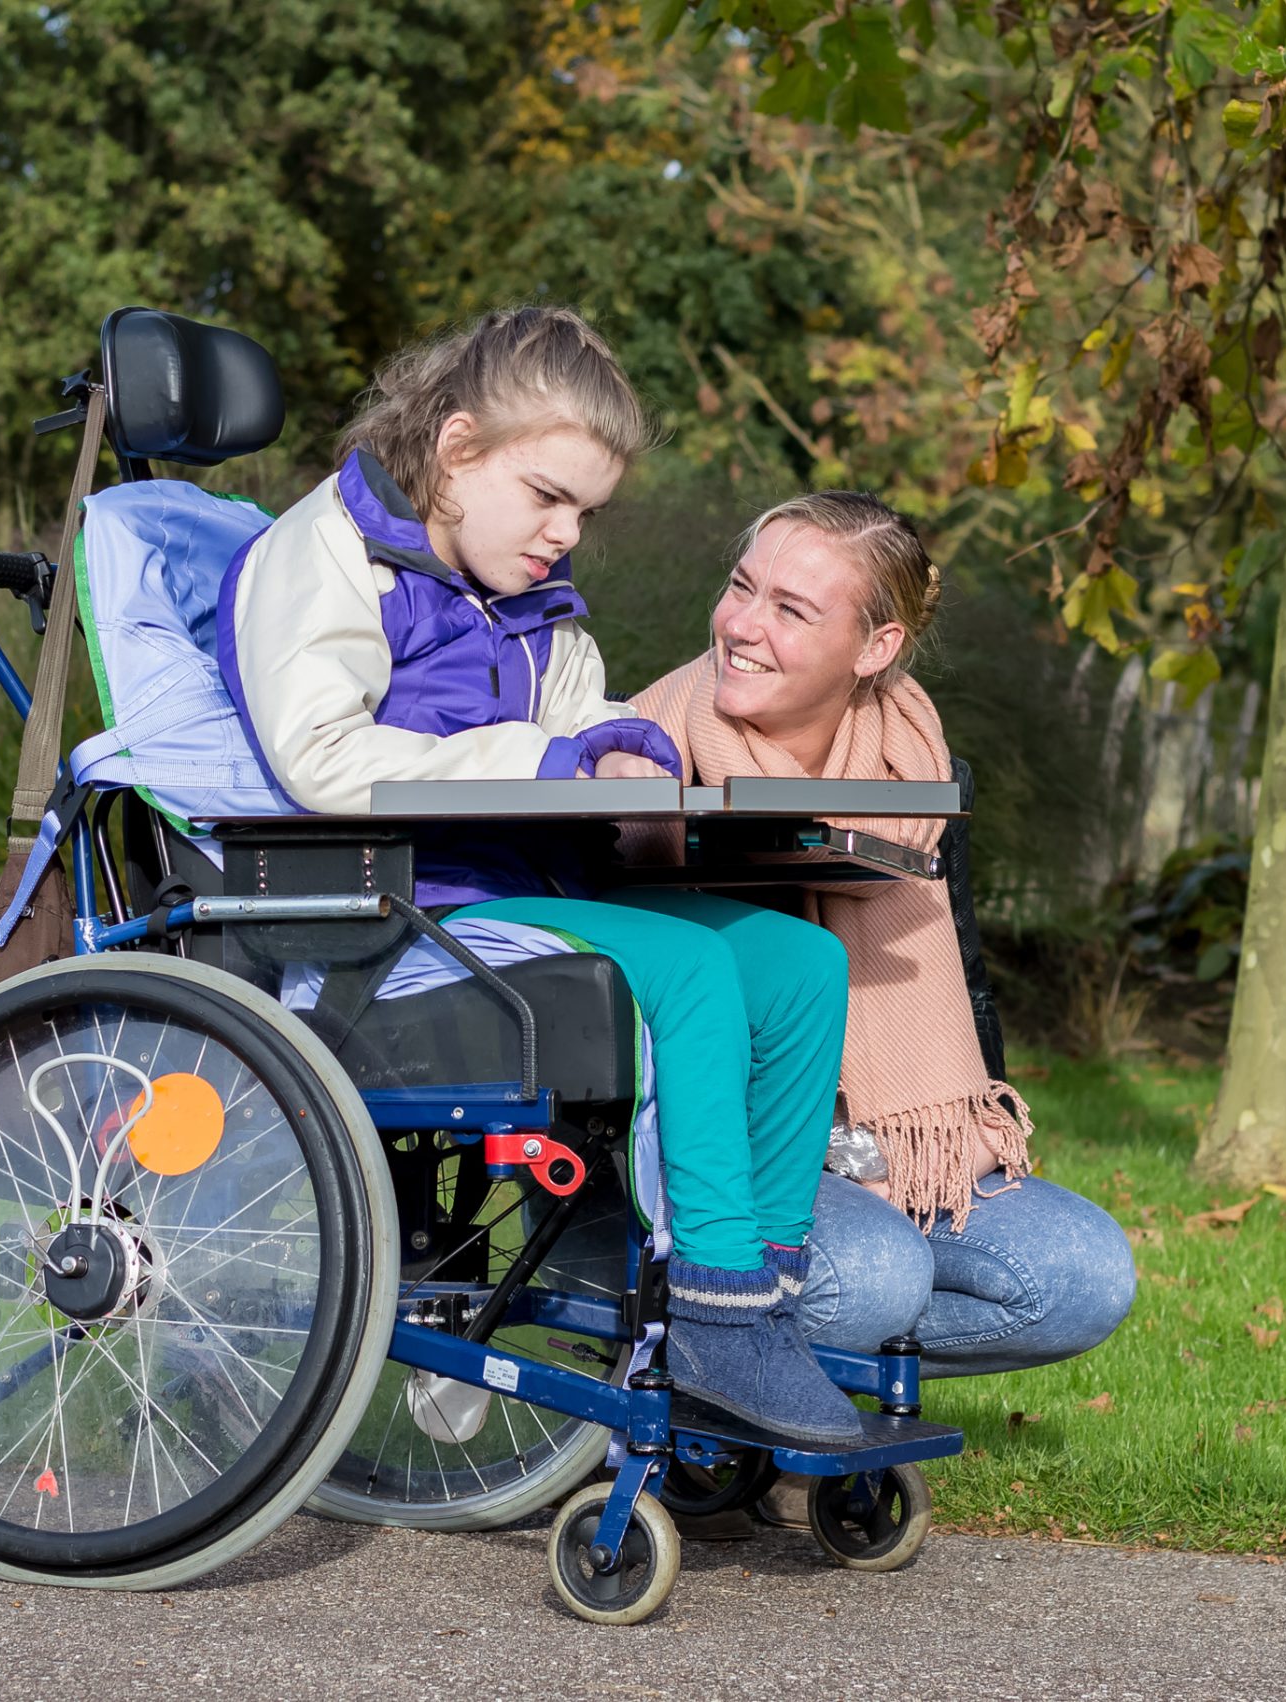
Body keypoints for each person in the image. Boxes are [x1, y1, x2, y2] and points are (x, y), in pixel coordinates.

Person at [220, 305, 864, 1443]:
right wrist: (547, 756)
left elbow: (578, 714)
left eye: (585, 511)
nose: (566, 532)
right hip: (394, 922)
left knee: (800, 961)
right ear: (458, 449)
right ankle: (713, 1310)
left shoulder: (521, 587)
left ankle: (765, 1295)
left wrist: (623, 741)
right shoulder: (323, 554)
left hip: (532, 892)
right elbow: (316, 757)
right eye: (548, 496)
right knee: (690, 972)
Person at [627, 492, 1136, 1395]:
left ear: (877, 648)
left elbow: (963, 977)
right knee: (875, 1278)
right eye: (742, 587)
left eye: (792, 610)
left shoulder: (916, 768)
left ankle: (771, 1379)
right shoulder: (647, 757)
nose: (743, 626)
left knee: (1084, 1277)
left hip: (892, 1144)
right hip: (718, 1159)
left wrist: (914, 1145)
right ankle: (710, 1364)